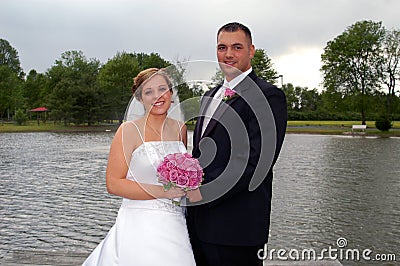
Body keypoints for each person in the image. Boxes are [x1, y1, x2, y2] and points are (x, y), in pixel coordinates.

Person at [186, 22, 287, 266]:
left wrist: (204, 193)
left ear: (251, 50)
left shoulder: (268, 96)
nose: (228, 54)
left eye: (237, 47)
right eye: (222, 47)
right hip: (198, 224)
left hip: (237, 227)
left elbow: (256, 161)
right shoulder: (209, 95)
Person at [83, 68, 196, 266]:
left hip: (174, 220)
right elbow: (114, 184)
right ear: (140, 98)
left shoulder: (180, 129)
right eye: (148, 92)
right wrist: (163, 192)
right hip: (139, 221)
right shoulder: (128, 130)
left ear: (171, 92)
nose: (157, 96)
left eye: (162, 89)